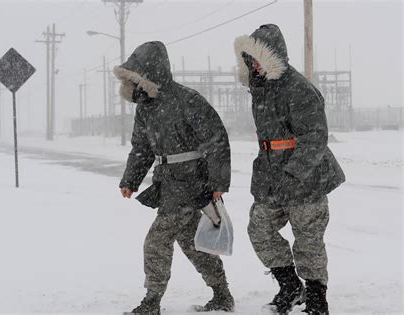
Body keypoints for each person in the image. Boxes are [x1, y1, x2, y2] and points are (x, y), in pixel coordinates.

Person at [115, 41, 235, 315]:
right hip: (167, 184)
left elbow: (216, 140)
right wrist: (130, 180)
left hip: (192, 183)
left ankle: (151, 303)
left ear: (150, 74)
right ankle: (222, 294)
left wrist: (218, 184)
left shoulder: (188, 100)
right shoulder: (144, 108)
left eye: (137, 78)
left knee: (156, 242)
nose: (134, 85)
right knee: (193, 243)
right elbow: (142, 147)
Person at [233, 24, 346, 315]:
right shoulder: (260, 88)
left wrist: (293, 173)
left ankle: (317, 298)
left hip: (305, 177)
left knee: (308, 238)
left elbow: (315, 137)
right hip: (270, 176)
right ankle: (290, 286)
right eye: (250, 58)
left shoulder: (298, 88)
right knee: (259, 230)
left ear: (273, 56)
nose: (254, 64)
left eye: (259, 57)